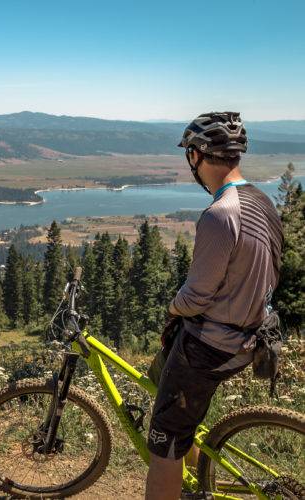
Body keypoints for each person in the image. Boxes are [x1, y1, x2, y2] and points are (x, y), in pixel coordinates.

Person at [144, 112, 283, 500]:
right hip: (251, 333)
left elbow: (195, 296)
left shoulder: (220, 215)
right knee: (178, 415)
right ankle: (191, 488)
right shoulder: (262, 201)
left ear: (196, 156)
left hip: (211, 345)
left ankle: (175, 479)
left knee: (164, 445)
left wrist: (172, 309)